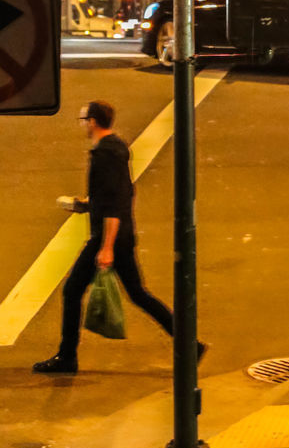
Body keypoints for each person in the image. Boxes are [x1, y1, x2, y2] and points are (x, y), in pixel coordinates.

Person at [32, 101, 196, 375]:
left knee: (72, 291)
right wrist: (86, 203)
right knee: (138, 294)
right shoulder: (116, 149)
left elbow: (114, 204)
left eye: (83, 118)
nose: (81, 123)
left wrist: (106, 247)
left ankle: (67, 357)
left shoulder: (105, 155)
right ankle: (191, 346)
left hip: (109, 236)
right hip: (120, 234)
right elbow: (118, 193)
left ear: (93, 122)